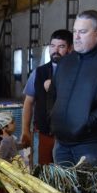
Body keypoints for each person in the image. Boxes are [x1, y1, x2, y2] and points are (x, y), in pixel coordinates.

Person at [51, 10, 97, 166]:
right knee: (60, 189)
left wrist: (87, 122)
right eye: (75, 31)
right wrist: (52, 118)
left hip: (90, 144)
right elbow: (52, 93)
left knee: (88, 188)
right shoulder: (66, 62)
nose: (77, 37)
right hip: (61, 144)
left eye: (83, 32)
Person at [20, 29, 72, 165]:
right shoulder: (38, 73)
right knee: (40, 172)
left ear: (70, 49)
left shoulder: (76, 73)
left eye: (61, 46)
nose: (56, 50)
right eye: (52, 46)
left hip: (68, 136)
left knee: (66, 173)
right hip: (42, 132)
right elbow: (28, 102)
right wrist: (25, 130)